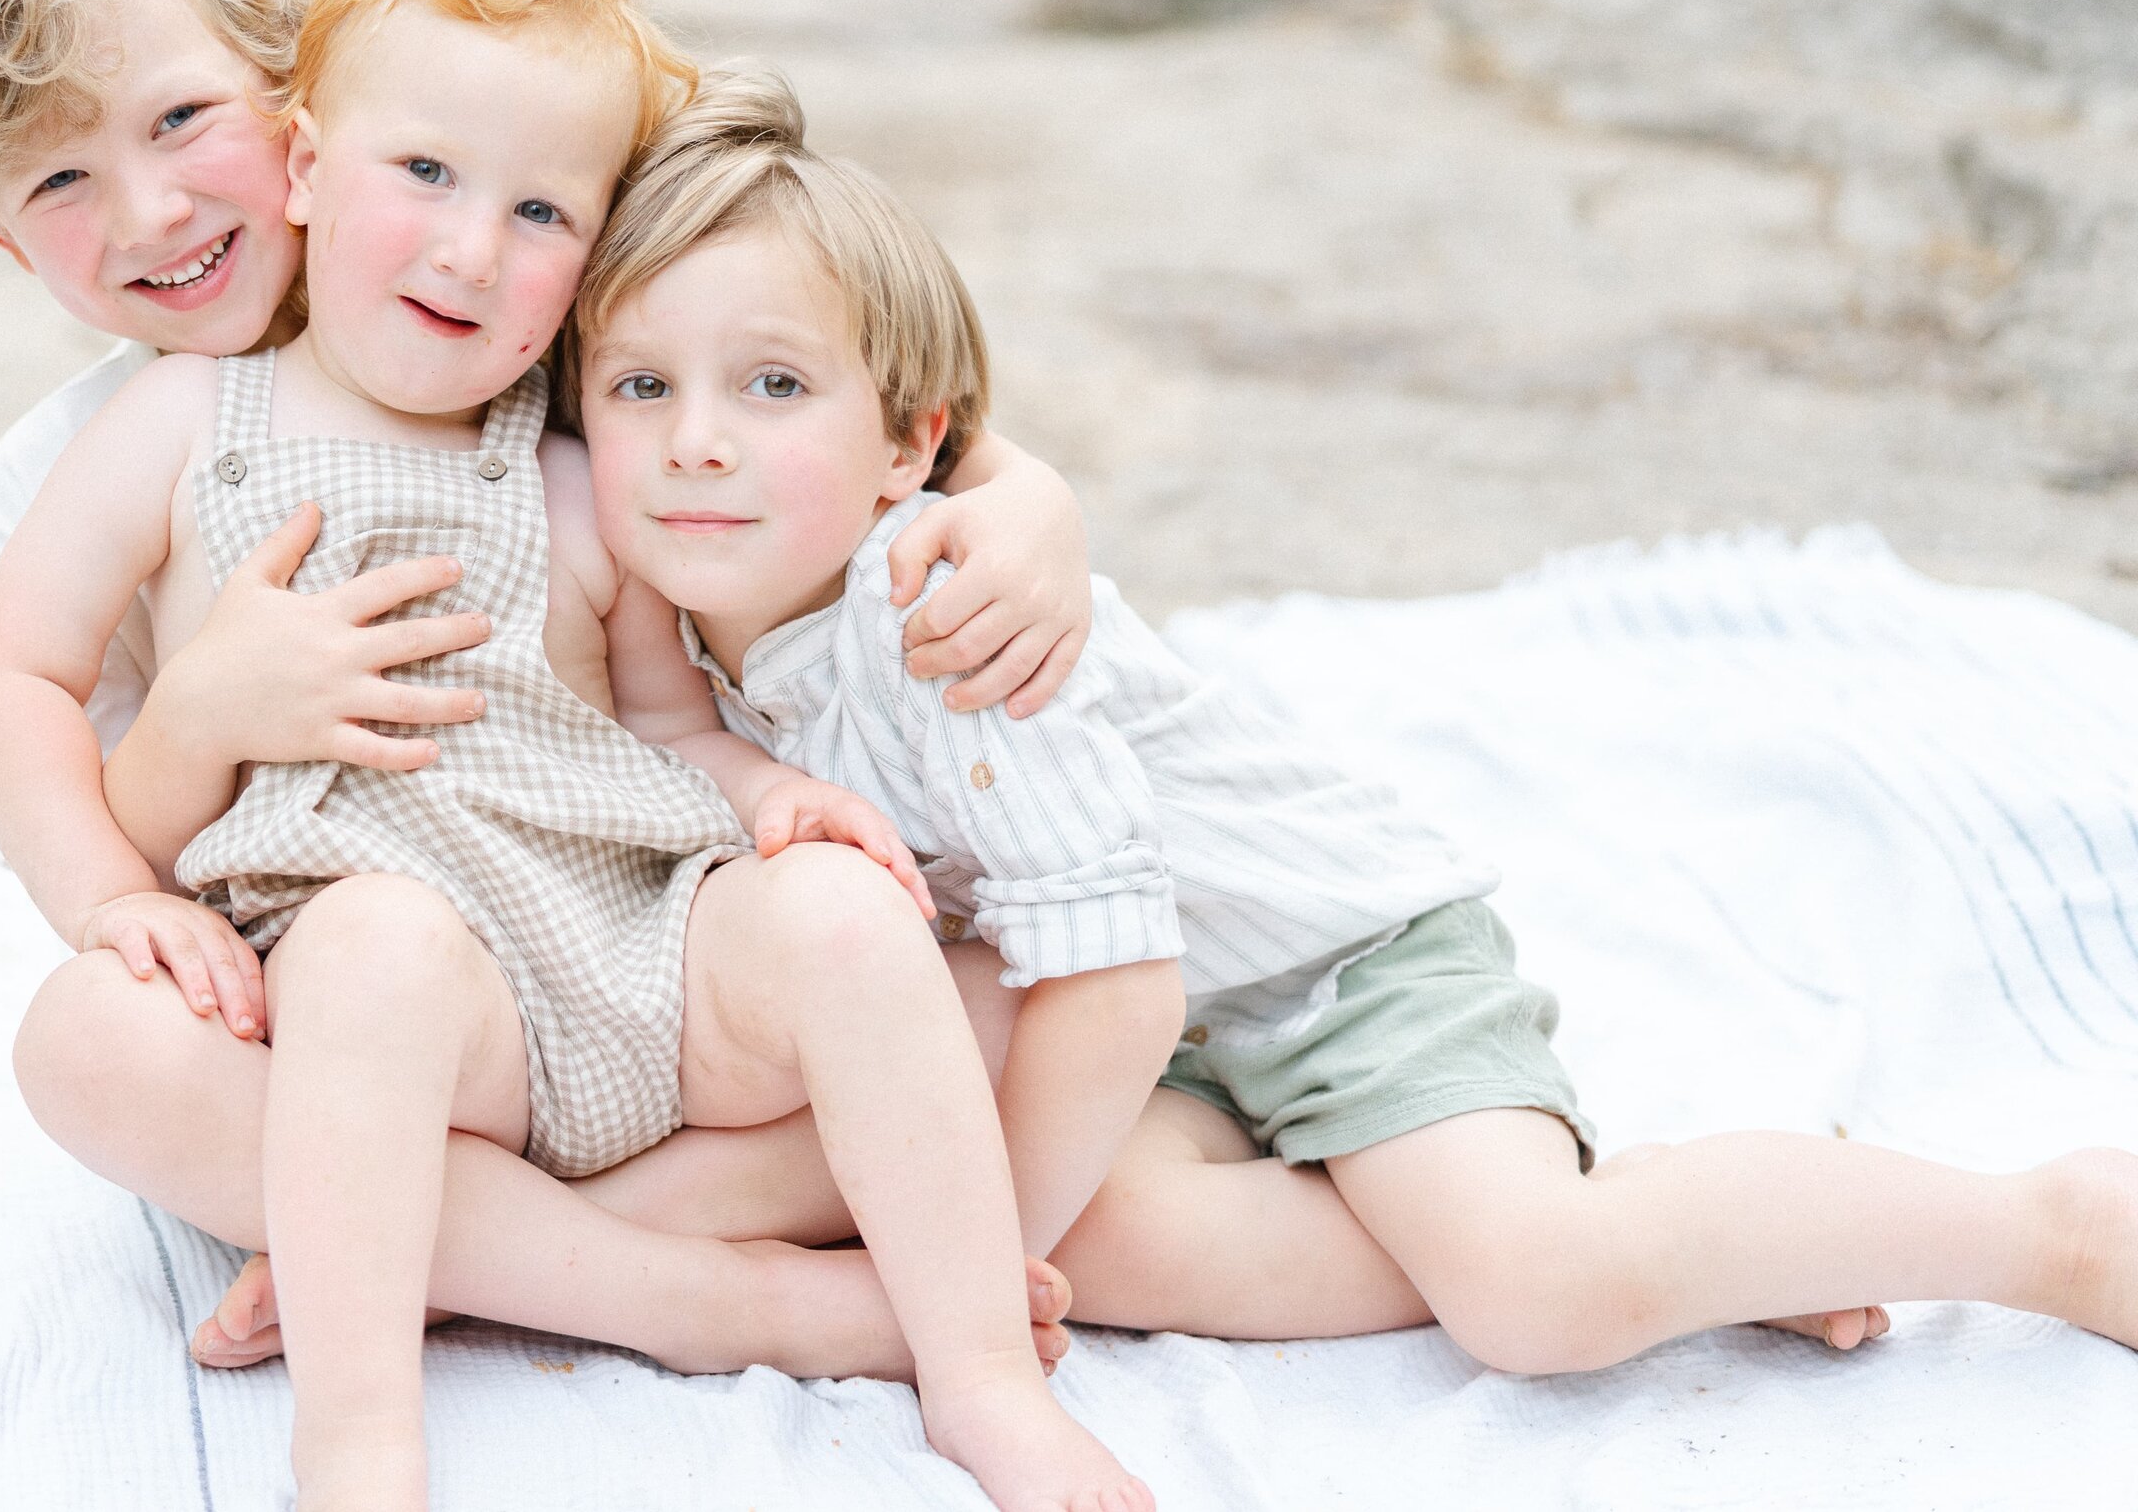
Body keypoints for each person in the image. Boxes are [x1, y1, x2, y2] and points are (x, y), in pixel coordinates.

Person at [552, 70, 2136, 1388]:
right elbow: (672, 718)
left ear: (912, 445)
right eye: (639, 388)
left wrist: (969, 1285)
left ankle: (2039, 1226)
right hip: (1156, 1027)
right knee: (1103, 1249)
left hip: (1334, 969)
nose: (695, 443)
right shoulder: (691, 592)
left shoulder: (941, 617)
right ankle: (1721, 1237)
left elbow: (1121, 979)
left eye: (768, 385)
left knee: (1538, 1293)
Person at [0, 0, 1147, 1512]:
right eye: (427, 176)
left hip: (631, 956)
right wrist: (104, 899)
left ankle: (982, 1379)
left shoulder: (585, 448)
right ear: (309, 166)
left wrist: (766, 800)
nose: (470, 246)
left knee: (864, 926)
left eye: (541, 213)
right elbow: (14, 665)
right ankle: (382, 1431)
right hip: (407, 1029)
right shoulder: (184, 421)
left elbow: (667, 720)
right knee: (129, 1026)